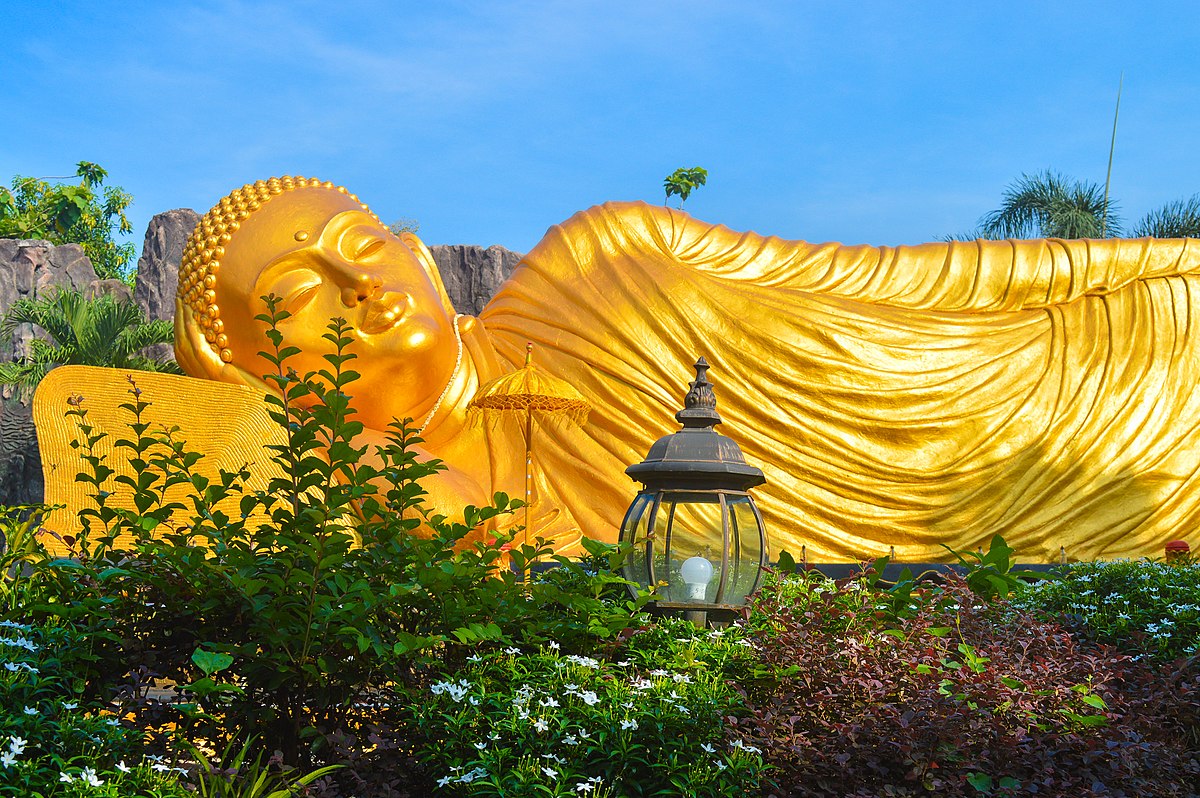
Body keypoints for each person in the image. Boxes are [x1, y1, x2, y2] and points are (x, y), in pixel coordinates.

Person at [175, 176, 1200, 562]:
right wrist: (344, 463)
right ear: (254, 371)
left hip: (1074, 370)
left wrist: (1169, 262)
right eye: (303, 294)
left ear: (415, 246)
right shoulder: (419, 505)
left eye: (363, 238)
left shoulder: (597, 252)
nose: (360, 279)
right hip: (1024, 516)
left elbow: (907, 280)